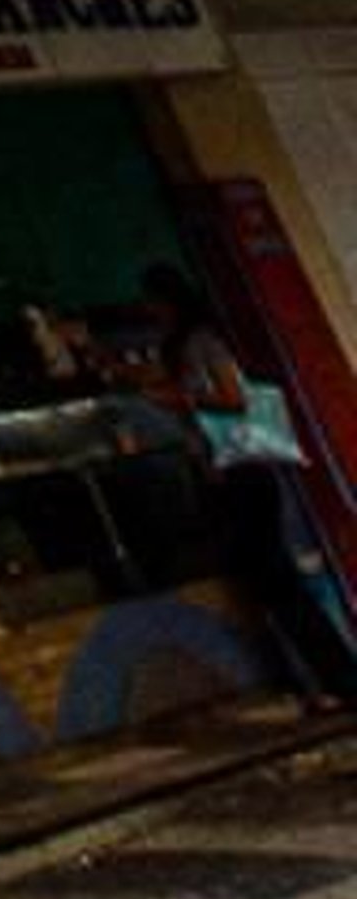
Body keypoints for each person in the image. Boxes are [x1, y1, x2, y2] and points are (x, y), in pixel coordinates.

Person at [129, 267, 356, 709]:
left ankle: (337, 679)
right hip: (229, 474)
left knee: (277, 581)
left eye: (152, 302)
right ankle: (320, 681)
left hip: (243, 471)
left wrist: (181, 400)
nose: (149, 311)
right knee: (269, 584)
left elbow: (235, 398)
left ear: (166, 302)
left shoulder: (201, 342)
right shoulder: (182, 348)